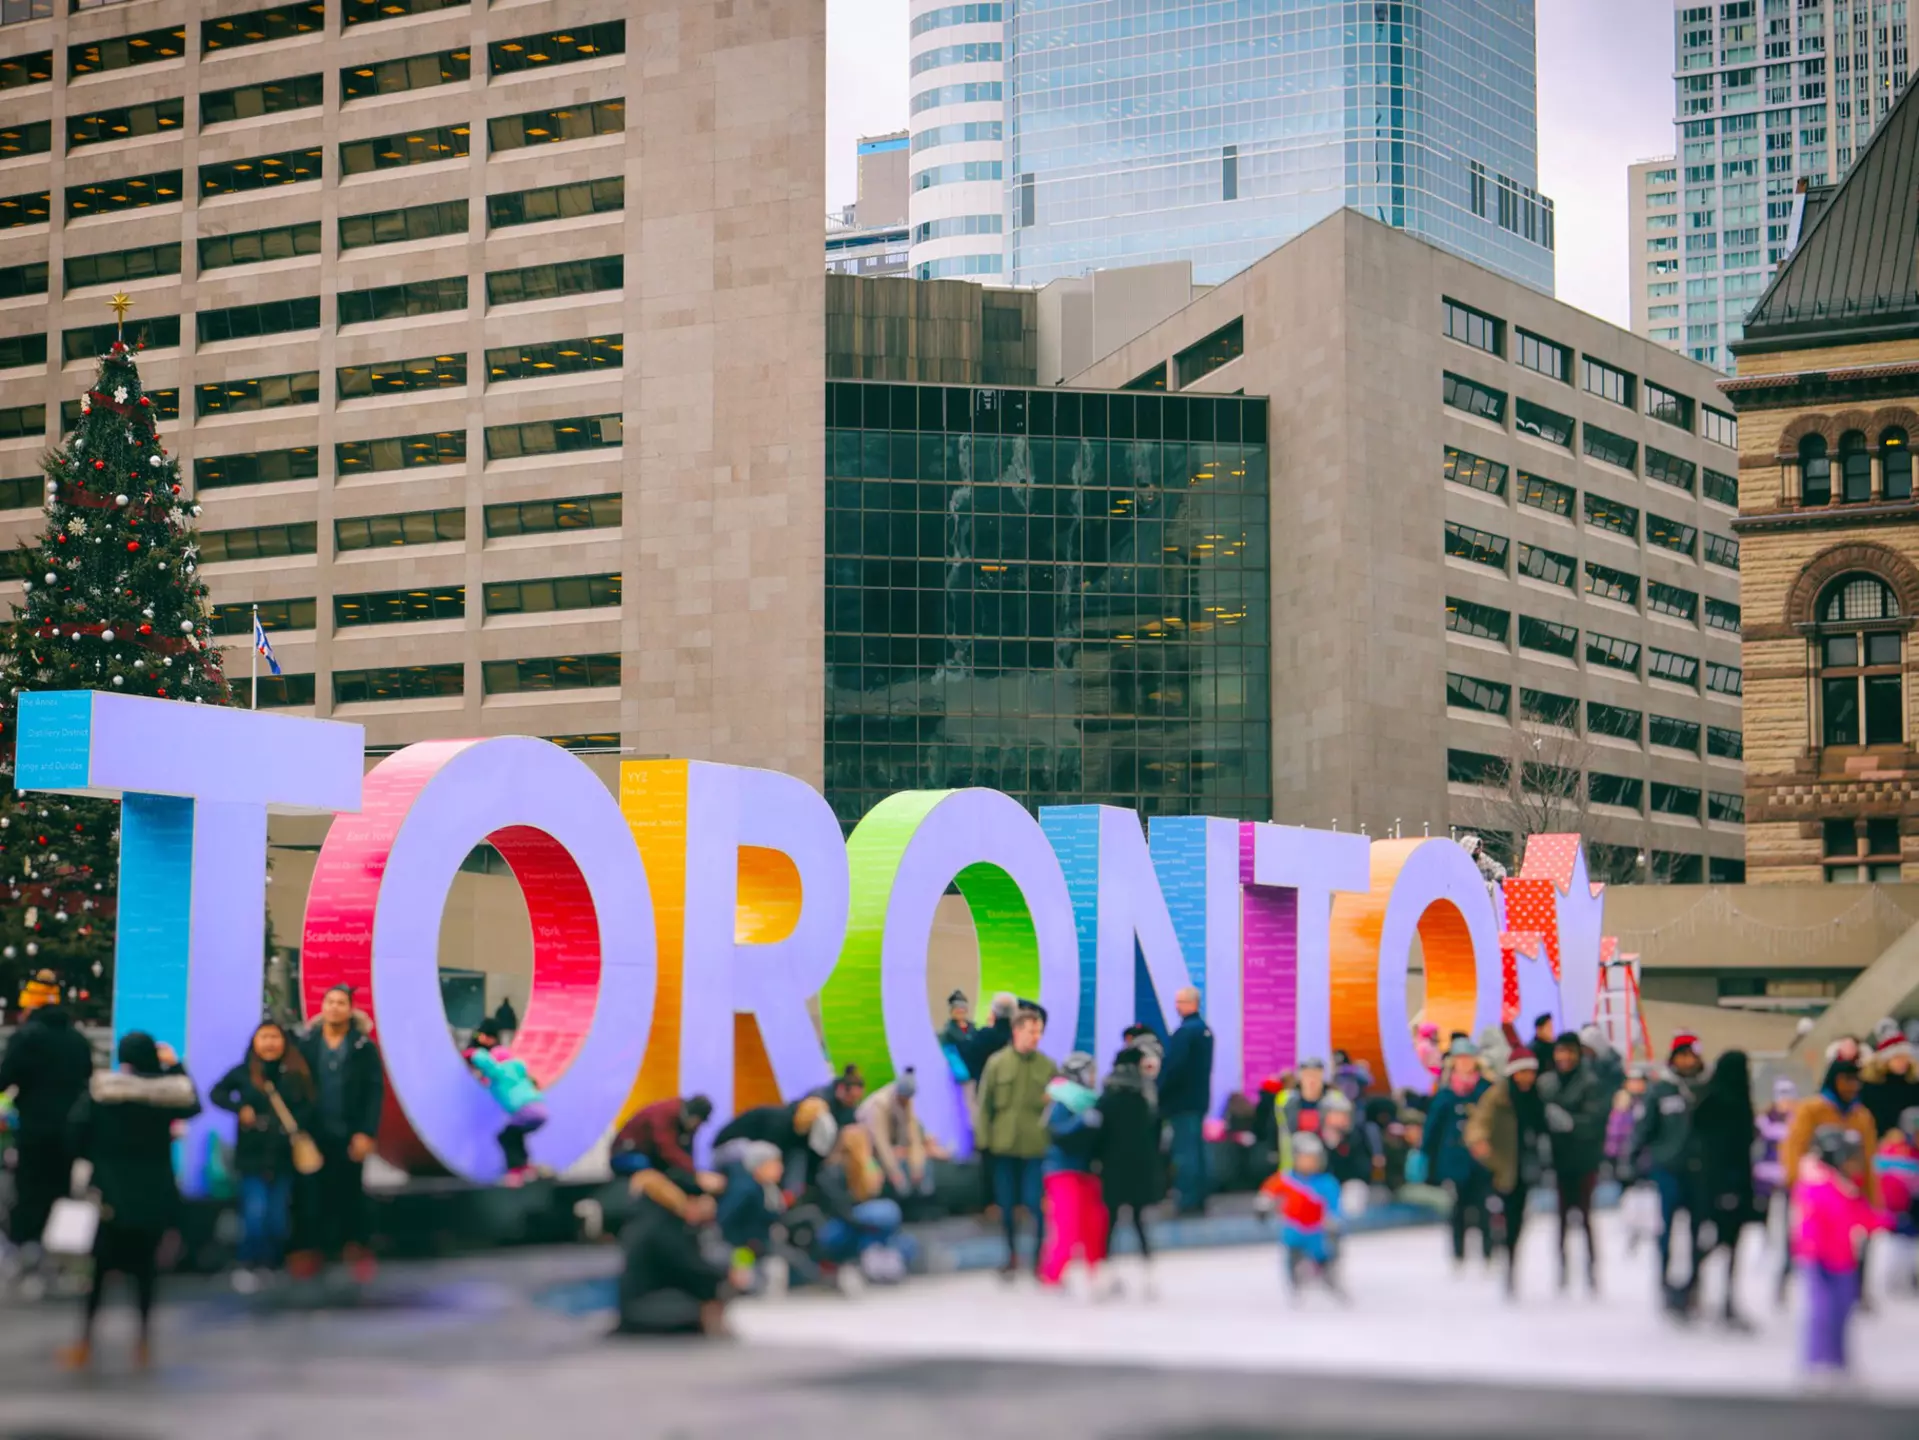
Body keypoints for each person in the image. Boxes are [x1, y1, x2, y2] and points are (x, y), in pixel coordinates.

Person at [59, 1033, 201, 1370]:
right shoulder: (164, 1096)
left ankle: (85, 1342)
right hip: (154, 1192)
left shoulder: (104, 1093)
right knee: (146, 1271)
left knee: (100, 1270)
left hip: (110, 1193)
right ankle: (143, 1343)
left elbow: (75, 1135)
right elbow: (193, 1103)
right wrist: (176, 1065)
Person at [208, 1021, 315, 1289]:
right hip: (252, 1156)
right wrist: (239, 1107)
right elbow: (216, 1093)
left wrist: (290, 1128)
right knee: (255, 1215)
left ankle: (273, 1264)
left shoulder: (295, 1072)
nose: (269, 1042)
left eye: (275, 1037)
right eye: (264, 1037)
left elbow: (309, 1106)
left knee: (278, 1217)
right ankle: (248, 1264)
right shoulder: (244, 1072)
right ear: (254, 1042)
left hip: (283, 1156)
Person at [292, 984, 384, 1281]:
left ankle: (355, 1247)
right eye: (329, 1002)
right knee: (312, 1194)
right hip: (315, 1133)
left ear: (350, 1008)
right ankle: (312, 1250)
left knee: (352, 1192)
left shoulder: (362, 1046)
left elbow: (374, 1092)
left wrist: (366, 1132)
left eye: (340, 1003)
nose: (334, 1007)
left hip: (350, 1132)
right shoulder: (307, 1044)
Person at [0, 988, 94, 1261]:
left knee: (30, 1187)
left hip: (34, 1126)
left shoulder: (28, 1037)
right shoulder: (77, 1040)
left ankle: (28, 1246)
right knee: (59, 1186)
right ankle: (59, 1247)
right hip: (70, 1127)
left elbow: (6, 1077)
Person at [1780, 1054, 1880, 1306]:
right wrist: (1796, 1184)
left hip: (1849, 1190)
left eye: (1855, 1081)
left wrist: (1872, 1196)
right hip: (1817, 1189)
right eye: (1846, 1080)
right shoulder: (1813, 1109)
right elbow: (1794, 1147)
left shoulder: (1861, 1116)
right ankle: (1786, 1283)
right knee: (1802, 1241)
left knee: (1852, 1243)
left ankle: (1856, 1288)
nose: (1851, 1086)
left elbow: (1868, 1157)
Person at [1791, 1125, 1890, 1377]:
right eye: (1851, 1158)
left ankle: (1838, 1360)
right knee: (1822, 1311)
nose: (1856, 1165)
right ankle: (1817, 1362)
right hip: (1819, 1260)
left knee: (1843, 1309)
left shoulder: (1844, 1185)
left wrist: (1889, 1222)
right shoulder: (1816, 1184)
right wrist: (1811, 1250)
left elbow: (1859, 1214)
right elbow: (1810, 1222)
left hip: (1843, 1259)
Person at [1631, 1031, 1709, 1317]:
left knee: (1698, 1232)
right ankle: (1664, 1282)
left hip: (1699, 1171)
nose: (1688, 1061)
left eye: (1692, 1055)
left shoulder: (1706, 1089)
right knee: (1665, 1231)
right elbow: (1645, 1127)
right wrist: (1632, 1157)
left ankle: (1693, 1284)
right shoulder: (1661, 1089)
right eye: (1682, 1055)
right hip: (1667, 1169)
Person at [977, 1002, 1056, 1278]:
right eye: (1032, 1032)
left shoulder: (1047, 1066)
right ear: (1016, 1031)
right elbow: (984, 1104)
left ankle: (1037, 1259)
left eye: (1039, 1032)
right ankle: (1010, 1256)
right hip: (1004, 1146)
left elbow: (1056, 1109)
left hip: (1036, 1147)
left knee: (1036, 1205)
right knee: (1007, 1207)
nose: (1036, 1037)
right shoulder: (997, 1064)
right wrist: (983, 1142)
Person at [615, 1167, 742, 1336]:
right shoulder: (663, 1227)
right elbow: (688, 1266)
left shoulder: (647, 1220)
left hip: (637, 1304)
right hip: (648, 1307)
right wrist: (725, 1275)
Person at [1466, 1048, 1548, 1298]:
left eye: (1530, 1072)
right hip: (1502, 1165)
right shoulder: (1498, 1095)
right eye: (1522, 1072)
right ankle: (1502, 1259)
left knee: (1518, 1217)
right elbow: (1479, 1122)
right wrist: (1479, 1141)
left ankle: (1510, 1256)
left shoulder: (1539, 1096)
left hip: (1528, 1165)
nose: (1527, 1078)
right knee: (1504, 1213)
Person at [1537, 1031, 1610, 1294]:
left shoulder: (1590, 1083)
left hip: (1584, 1161)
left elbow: (1595, 1121)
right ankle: (1562, 1270)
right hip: (1557, 1160)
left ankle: (1591, 1269)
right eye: (1560, 1052)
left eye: (1569, 1052)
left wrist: (1568, 1122)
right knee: (1560, 1219)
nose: (1564, 1057)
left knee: (1586, 1217)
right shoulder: (1546, 1083)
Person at [1692, 1048, 1759, 1331]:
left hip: (1717, 1184)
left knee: (1721, 1241)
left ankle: (1699, 1289)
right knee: (1726, 1242)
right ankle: (1705, 1291)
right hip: (1728, 1185)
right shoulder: (1729, 1104)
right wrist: (1730, 1188)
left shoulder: (1711, 1099)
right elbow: (1728, 1150)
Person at [804, 1125, 915, 1282]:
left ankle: (875, 1258)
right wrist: (868, 1224)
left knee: (902, 1235)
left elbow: (887, 1197)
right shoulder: (831, 1172)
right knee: (889, 1211)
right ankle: (875, 1258)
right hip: (835, 1226)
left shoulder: (870, 1168)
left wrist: (878, 1183)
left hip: (860, 1222)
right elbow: (841, 1208)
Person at [1097, 1043, 1162, 1296]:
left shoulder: (1108, 1097)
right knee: (1138, 1220)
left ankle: (1106, 1275)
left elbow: (1098, 1133)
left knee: (1111, 1220)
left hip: (1113, 1165)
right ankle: (1148, 1276)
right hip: (1140, 1165)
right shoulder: (1145, 1097)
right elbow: (1156, 1133)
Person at [1039, 1051, 1107, 1292]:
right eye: (1088, 1072)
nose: (1092, 1078)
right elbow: (1055, 1133)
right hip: (1063, 1171)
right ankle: (1052, 1274)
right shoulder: (1061, 1098)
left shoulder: (1092, 1100)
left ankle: (1095, 1270)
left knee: (1094, 1223)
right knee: (1067, 1225)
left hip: (1087, 1170)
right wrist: (1081, 1123)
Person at [1422, 1036, 1492, 1269]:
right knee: (1458, 1209)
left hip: (1481, 1160)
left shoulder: (1486, 1090)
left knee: (1484, 1207)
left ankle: (1488, 1253)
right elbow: (1433, 1129)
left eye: (1468, 1059)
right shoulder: (1445, 1094)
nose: (1464, 1063)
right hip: (1453, 1160)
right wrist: (1427, 1160)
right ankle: (1458, 1255)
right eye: (1460, 1059)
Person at [1261, 1132, 1345, 1300]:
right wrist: (1263, 1205)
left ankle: (1329, 1277)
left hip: (1317, 1229)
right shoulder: (1285, 1179)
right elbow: (1269, 1191)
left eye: (1312, 1159)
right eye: (1304, 1158)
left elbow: (1334, 1204)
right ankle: (1294, 1282)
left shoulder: (1327, 1182)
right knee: (1293, 1252)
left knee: (1326, 1253)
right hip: (1294, 1228)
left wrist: (1333, 1219)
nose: (1308, 1163)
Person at [464, 1018, 548, 1183]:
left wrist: (472, 1053)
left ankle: (515, 1171)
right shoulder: (518, 1071)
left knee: (505, 1137)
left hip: (525, 1110)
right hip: (540, 1110)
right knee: (515, 1135)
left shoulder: (499, 1071)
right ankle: (525, 1167)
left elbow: (486, 1063)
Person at [1160, 986, 1214, 1216]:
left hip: (1182, 1103)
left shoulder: (1185, 1033)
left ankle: (1187, 1200)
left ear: (1193, 1003)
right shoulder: (1205, 1031)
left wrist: (1160, 1091)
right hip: (1198, 1100)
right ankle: (1200, 1198)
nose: (1176, 1007)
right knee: (1197, 1151)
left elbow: (1174, 1069)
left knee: (1185, 1153)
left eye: (1180, 1002)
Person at [712, 1095, 836, 1196]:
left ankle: (790, 1196)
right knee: (766, 1154)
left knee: (797, 1155)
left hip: (755, 1151)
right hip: (727, 1149)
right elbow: (766, 1159)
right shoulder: (778, 1123)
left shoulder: (800, 1134)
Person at [856, 1068, 946, 1203]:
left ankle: (923, 1197)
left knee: (919, 1162)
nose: (906, 1103)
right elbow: (881, 1143)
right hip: (869, 1141)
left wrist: (917, 1167)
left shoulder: (907, 1100)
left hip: (892, 1136)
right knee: (899, 1178)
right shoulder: (878, 1105)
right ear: (898, 1095)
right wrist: (894, 1173)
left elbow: (913, 1137)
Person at [611, 1093, 714, 1181]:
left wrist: (692, 1172)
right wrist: (695, 1174)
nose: (698, 1128)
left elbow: (686, 1152)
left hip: (650, 1155)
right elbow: (666, 1148)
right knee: (650, 1173)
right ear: (694, 1117)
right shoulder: (665, 1113)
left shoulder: (686, 1124)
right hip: (626, 1153)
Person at [1875, 1107, 1919, 1294]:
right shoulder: (1892, 1149)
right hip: (1894, 1208)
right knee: (1895, 1245)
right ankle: (1893, 1282)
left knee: (1910, 1244)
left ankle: (1910, 1279)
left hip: (1912, 1208)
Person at [1862, 1025, 1919, 1139]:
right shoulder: (1873, 1085)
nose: (1902, 1062)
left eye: (1905, 1057)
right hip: (1884, 1139)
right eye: (1897, 1058)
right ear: (1886, 1060)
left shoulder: (1913, 1082)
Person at [1283, 1057, 1330, 1137]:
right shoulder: (1287, 1103)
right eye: (1308, 1075)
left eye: (1316, 1076)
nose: (1312, 1081)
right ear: (1300, 1078)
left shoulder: (1332, 1103)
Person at [811, 1064, 867, 1129]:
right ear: (841, 1088)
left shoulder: (850, 1110)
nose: (853, 1103)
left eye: (858, 1100)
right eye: (852, 1097)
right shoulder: (820, 1099)